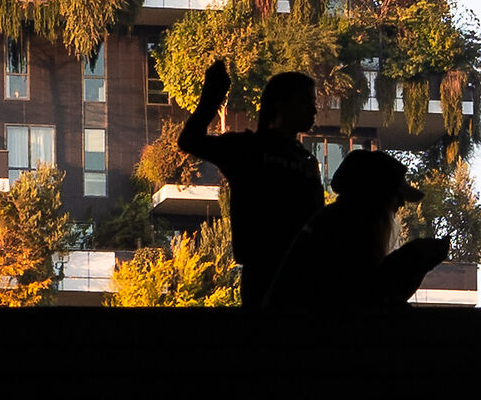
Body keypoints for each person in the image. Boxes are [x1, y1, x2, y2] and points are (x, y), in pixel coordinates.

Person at [178, 61, 325, 309]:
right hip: (269, 272)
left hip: (296, 272)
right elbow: (190, 141)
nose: (313, 110)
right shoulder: (249, 149)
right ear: (281, 104)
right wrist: (211, 99)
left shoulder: (303, 159)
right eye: (305, 102)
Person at [263, 149, 449, 310]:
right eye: (396, 196)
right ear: (377, 196)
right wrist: (414, 257)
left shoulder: (334, 221)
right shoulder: (347, 227)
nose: (401, 204)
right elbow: (365, 294)